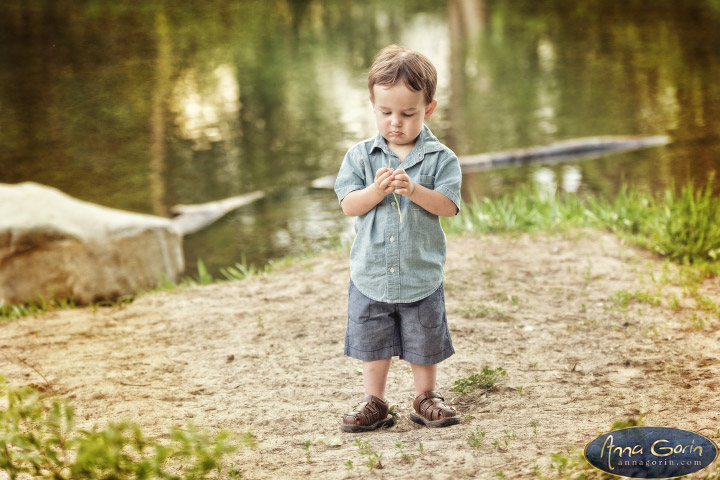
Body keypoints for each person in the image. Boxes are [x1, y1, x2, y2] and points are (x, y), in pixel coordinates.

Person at [334, 44, 462, 432]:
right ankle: (374, 401)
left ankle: (425, 397)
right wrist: (376, 191)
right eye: (385, 112)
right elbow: (349, 205)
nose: (395, 122)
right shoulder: (360, 157)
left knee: (424, 339)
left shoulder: (442, 159)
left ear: (429, 109)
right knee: (373, 343)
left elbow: (449, 206)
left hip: (419, 272)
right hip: (371, 272)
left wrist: (413, 190)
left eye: (408, 114)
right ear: (372, 105)